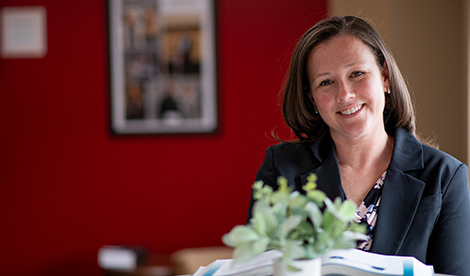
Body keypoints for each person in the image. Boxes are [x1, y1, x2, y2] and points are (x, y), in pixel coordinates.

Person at [246, 16, 470, 275]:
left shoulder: (445, 176)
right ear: (312, 99)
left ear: (385, 77)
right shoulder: (281, 168)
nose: (345, 94)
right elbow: (259, 268)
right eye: (326, 82)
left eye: (357, 74)